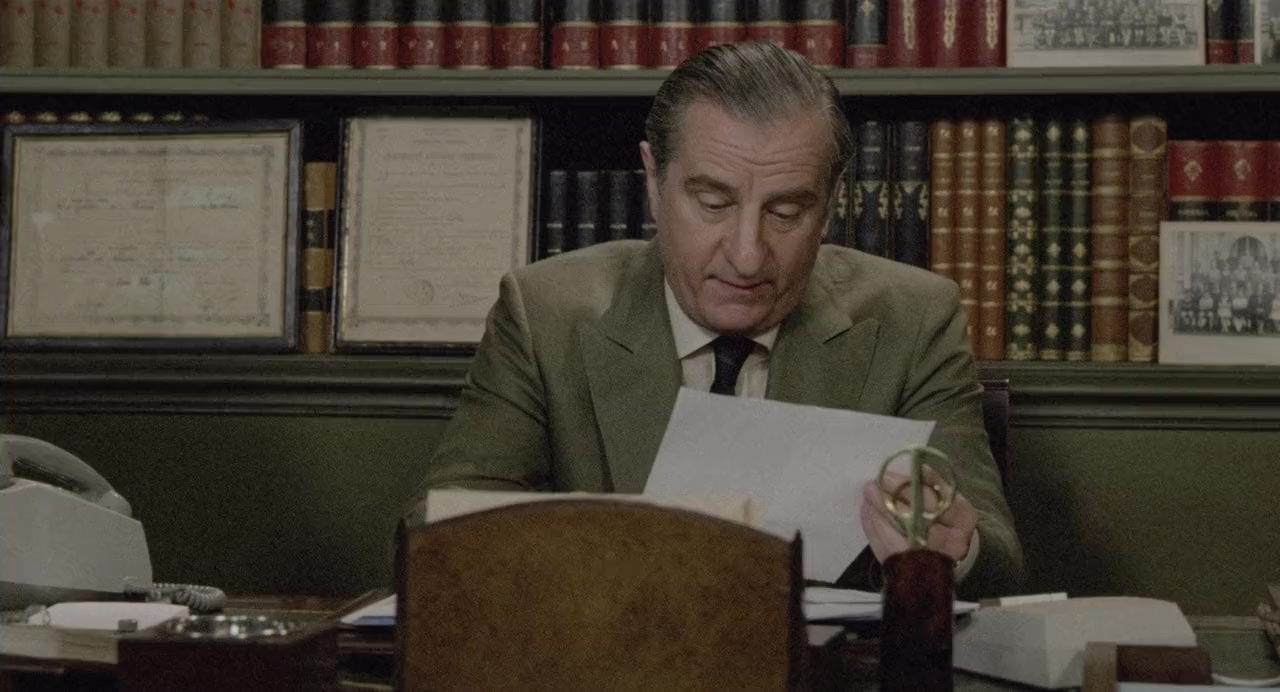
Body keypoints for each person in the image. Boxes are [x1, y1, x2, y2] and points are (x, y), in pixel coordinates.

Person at [412, 42, 1022, 599]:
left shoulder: (914, 320)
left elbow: (999, 563)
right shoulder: (543, 313)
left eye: (786, 212)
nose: (747, 255)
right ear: (654, 183)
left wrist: (952, 549)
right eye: (713, 203)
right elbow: (431, 536)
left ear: (832, 203)